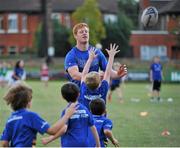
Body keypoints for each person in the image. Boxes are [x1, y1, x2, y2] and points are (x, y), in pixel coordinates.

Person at [0, 83, 76, 147]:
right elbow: (52, 131)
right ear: (28, 101)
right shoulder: (30, 116)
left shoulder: (10, 119)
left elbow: (4, 143)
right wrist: (67, 115)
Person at [64, 22, 127, 87]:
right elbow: (75, 76)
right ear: (75, 36)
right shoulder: (71, 55)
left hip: (94, 93)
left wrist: (118, 74)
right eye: (81, 32)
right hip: (78, 94)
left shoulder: (97, 52)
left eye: (86, 31)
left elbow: (109, 71)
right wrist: (95, 77)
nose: (84, 33)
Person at [41, 82, 100, 147]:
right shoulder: (85, 110)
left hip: (69, 144)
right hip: (84, 144)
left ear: (63, 97)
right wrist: (98, 145)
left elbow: (64, 129)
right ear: (79, 94)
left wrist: (50, 139)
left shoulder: (67, 111)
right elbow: (93, 127)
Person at [79, 43, 122, 110]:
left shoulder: (84, 89)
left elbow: (84, 74)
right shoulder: (103, 89)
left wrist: (90, 59)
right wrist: (111, 56)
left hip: (87, 120)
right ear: (99, 83)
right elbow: (107, 72)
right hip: (102, 119)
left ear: (86, 82)